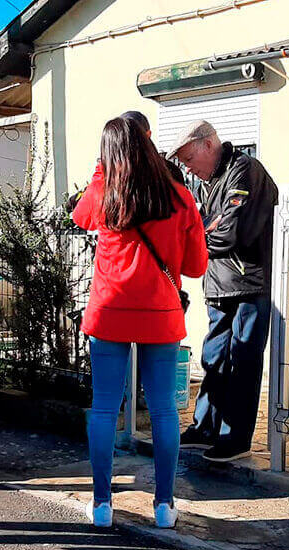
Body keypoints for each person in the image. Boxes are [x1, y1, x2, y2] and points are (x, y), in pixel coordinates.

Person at [72, 117, 208, 528]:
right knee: (166, 410)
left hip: (109, 312)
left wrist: (102, 169)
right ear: (150, 146)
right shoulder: (181, 198)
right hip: (161, 314)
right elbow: (196, 266)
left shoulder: (102, 194)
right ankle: (165, 506)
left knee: (104, 408)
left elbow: (79, 217)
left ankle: (101, 505)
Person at [167, 120, 279, 463]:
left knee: (243, 362)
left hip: (249, 283)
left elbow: (231, 231)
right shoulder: (208, 181)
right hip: (218, 283)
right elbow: (205, 228)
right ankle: (205, 427)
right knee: (214, 358)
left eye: (189, 159)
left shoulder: (245, 169)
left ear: (207, 145)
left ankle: (236, 438)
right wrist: (204, 230)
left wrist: (200, 233)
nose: (187, 168)